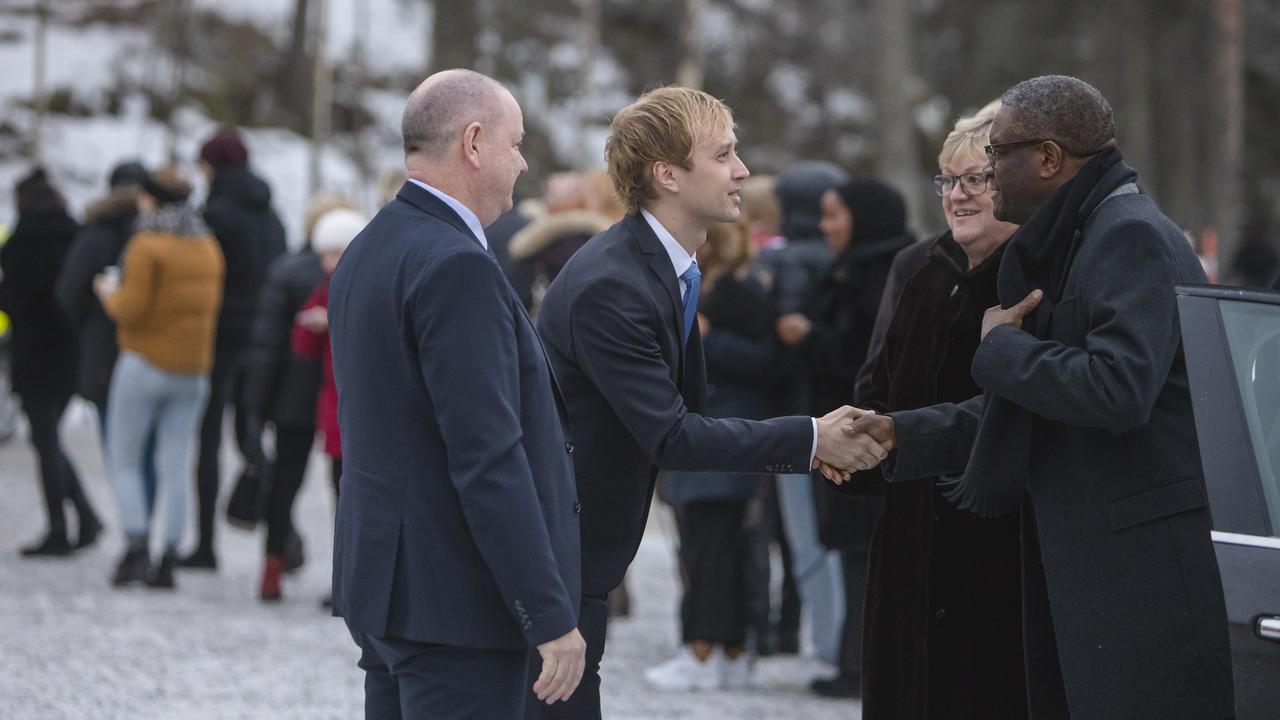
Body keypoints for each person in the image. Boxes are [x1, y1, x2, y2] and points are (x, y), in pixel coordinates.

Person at [842, 75, 1235, 719]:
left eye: (999, 155)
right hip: (1093, 575)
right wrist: (900, 433)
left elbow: (1119, 387)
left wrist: (1002, 347)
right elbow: (1032, 407)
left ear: (1050, 158)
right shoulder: (1080, 236)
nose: (988, 173)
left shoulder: (1126, 234)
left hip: (1142, 582)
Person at [533, 86, 883, 719]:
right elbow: (672, 436)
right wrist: (811, 440)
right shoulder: (613, 284)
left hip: (580, 549)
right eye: (723, 155)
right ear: (667, 174)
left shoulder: (663, 267)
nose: (742, 171)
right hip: (559, 551)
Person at [328, 69, 585, 718]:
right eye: (516, 143)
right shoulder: (456, 265)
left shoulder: (368, 246)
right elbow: (486, 455)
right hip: (456, 606)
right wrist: (548, 612)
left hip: (389, 592)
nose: (523, 163)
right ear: (474, 143)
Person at [844, 102, 1027, 719]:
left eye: (975, 178)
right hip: (907, 539)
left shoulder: (1039, 277)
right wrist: (855, 443)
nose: (958, 196)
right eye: (948, 180)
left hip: (996, 545)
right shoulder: (917, 268)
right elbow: (878, 384)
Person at [777, 177, 915, 698]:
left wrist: (808, 335)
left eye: (836, 216)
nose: (827, 227)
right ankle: (855, 660)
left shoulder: (881, 275)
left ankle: (861, 667)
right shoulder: (853, 268)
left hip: (868, 437)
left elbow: (863, 356)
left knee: (865, 552)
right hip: (846, 435)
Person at [644, 219, 777, 691]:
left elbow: (768, 361)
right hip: (721, 433)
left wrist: (705, 337)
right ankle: (725, 648)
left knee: (710, 547)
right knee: (717, 545)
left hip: (722, 433)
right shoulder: (724, 287)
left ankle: (706, 647)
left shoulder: (734, 292)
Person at [96, 167, 224, 588]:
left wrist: (105, 292)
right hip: (194, 370)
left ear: (149, 200)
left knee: (127, 459)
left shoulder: (146, 244)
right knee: (176, 463)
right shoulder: (208, 245)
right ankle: (169, 555)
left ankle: (136, 547)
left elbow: (129, 310)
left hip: (144, 362)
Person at [245, 198, 357, 602]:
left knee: (289, 481)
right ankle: (338, 575)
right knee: (339, 487)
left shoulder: (290, 271)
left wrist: (256, 402)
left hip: (297, 396)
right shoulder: (352, 275)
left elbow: (267, 345)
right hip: (331, 398)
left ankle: (272, 566)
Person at [186, 126, 287, 570]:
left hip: (220, 338)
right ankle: (287, 535)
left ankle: (206, 544)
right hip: (264, 338)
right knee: (250, 436)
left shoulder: (213, 214)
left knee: (208, 436)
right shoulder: (272, 214)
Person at [1, 168, 102, 557]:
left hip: (33, 351)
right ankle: (85, 516)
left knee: (44, 440)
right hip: (69, 351)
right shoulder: (75, 235)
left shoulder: (21, 244)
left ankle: (61, 527)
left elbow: (12, 299)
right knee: (48, 437)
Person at [56, 162, 160, 527]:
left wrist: (93, 322)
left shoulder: (96, 233)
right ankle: (144, 526)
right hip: (153, 355)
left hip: (104, 357)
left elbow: (67, 293)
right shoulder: (162, 233)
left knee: (120, 453)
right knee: (147, 452)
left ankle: (135, 536)